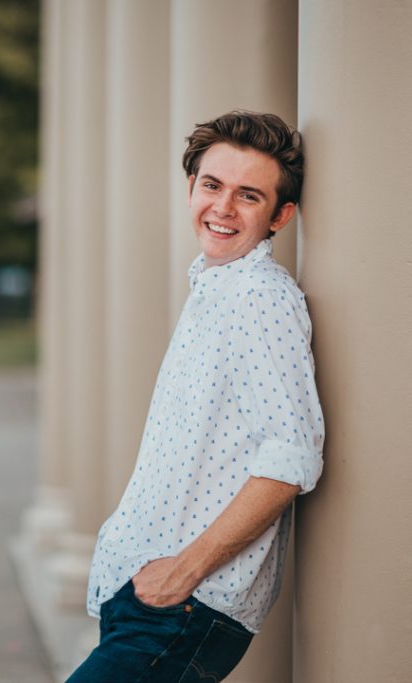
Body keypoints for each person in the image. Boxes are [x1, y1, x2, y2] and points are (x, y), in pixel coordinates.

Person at [67, 111, 325, 682]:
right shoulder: (215, 288)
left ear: (281, 215)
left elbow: (291, 459)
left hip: (184, 604)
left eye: (249, 196)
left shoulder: (261, 297)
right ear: (191, 188)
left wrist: (182, 573)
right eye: (212, 185)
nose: (223, 208)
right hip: (149, 597)